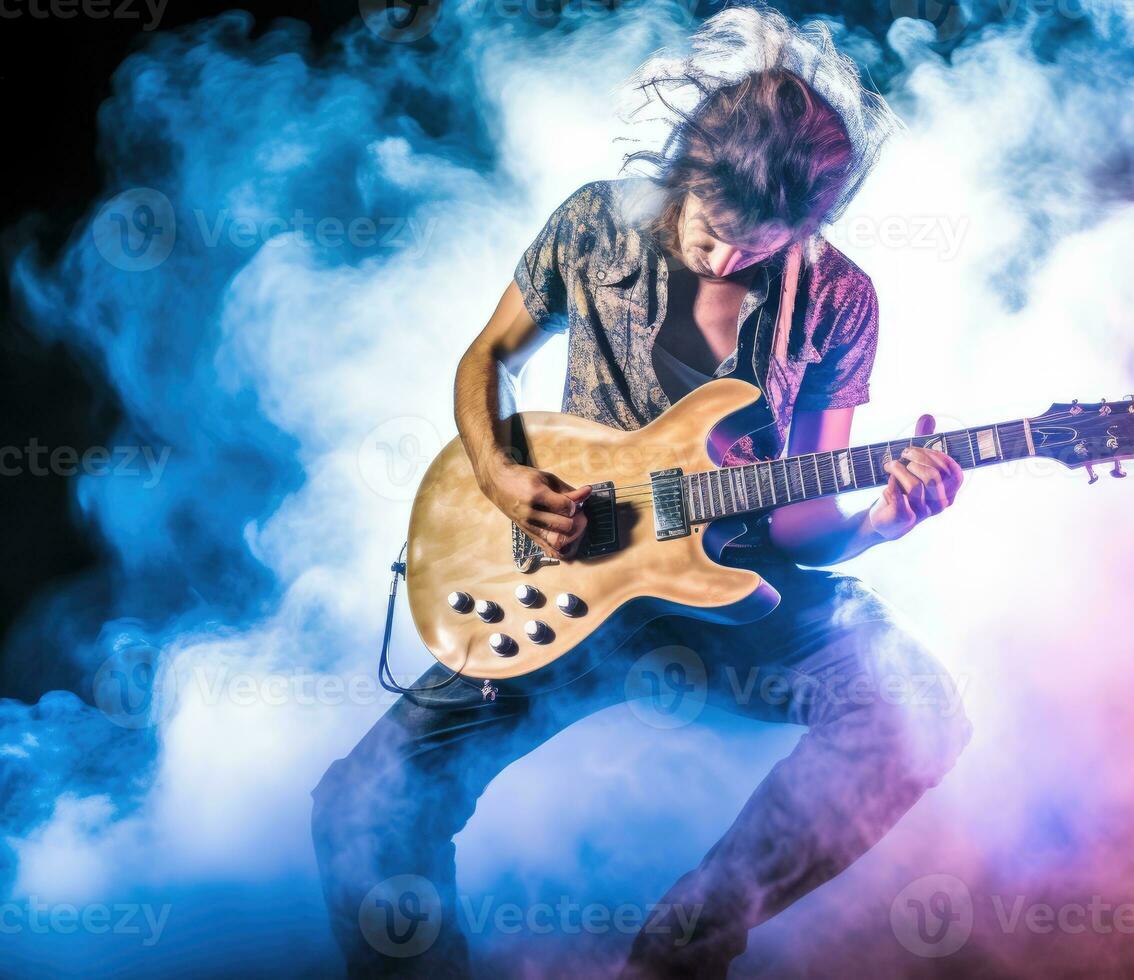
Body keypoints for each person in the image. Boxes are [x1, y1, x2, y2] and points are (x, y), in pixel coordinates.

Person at [312, 9, 972, 977]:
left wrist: (878, 520)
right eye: (711, 229)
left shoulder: (838, 298)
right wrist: (501, 475)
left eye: (759, 246)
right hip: (583, 581)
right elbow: (486, 357)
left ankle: (682, 944)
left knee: (920, 714)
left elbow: (802, 526)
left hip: (744, 595)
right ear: (685, 173)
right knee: (359, 805)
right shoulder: (594, 223)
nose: (723, 260)